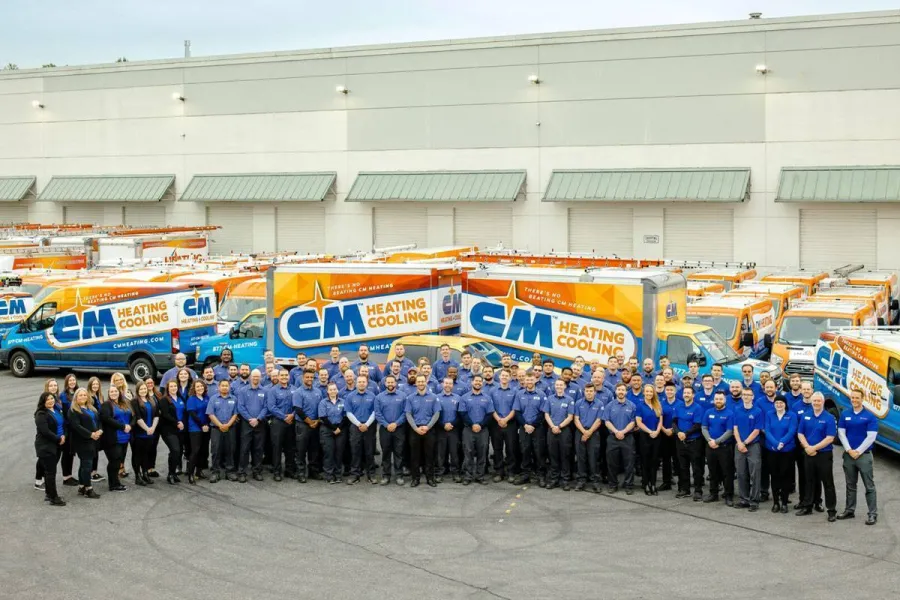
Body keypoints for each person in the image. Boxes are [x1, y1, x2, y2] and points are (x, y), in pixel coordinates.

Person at [836, 388, 879, 525]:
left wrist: (858, 451)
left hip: (864, 456)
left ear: (862, 399)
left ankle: (872, 514)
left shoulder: (870, 416)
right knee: (850, 485)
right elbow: (841, 433)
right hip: (849, 455)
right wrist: (849, 450)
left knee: (869, 486)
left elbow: (871, 437)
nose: (854, 400)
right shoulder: (845, 414)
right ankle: (849, 510)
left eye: (857, 398)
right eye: (852, 398)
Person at [796, 392, 837, 521]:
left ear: (823, 402)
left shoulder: (829, 417)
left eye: (819, 401)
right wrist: (807, 447)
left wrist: (814, 448)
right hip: (808, 453)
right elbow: (800, 433)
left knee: (827, 482)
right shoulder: (806, 416)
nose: (816, 403)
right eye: (814, 401)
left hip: (824, 454)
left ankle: (831, 510)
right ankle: (808, 506)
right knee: (809, 480)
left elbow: (830, 438)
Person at [406, 374, 441, 488]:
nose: (421, 383)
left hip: (429, 429)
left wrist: (428, 427)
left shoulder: (433, 397)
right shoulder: (410, 398)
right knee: (414, 455)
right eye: (418, 381)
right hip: (415, 430)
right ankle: (415, 478)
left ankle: (430, 478)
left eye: (422, 381)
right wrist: (416, 428)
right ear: (416, 383)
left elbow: (436, 413)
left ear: (426, 382)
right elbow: (408, 414)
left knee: (429, 455)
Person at [764, 395, 797, 513]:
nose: (779, 405)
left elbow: (792, 430)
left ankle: (784, 502)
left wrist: (782, 442)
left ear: (785, 404)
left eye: (781, 403)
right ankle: (776, 502)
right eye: (777, 402)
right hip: (772, 450)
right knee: (774, 476)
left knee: (785, 476)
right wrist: (775, 443)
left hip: (787, 450)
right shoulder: (769, 414)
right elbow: (767, 430)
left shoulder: (791, 415)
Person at [67, 389, 102, 499]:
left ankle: (82, 487)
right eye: (80, 395)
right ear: (76, 397)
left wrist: (100, 430)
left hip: (93, 440)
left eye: (84, 395)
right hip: (82, 441)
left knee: (84, 464)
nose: (82, 397)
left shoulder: (91, 408)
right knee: (87, 465)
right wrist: (91, 434)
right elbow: (77, 426)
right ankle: (88, 489)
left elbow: (98, 420)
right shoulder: (73, 410)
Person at [701, 391, 735, 505]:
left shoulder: (730, 413)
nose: (718, 401)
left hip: (724, 447)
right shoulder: (708, 412)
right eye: (716, 399)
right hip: (710, 446)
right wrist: (710, 440)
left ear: (724, 400)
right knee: (712, 471)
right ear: (714, 400)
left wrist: (717, 441)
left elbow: (730, 431)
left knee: (727, 472)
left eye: (720, 399)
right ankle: (713, 494)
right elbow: (704, 427)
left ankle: (729, 495)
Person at [674, 384, 706, 501]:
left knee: (697, 468)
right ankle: (685, 489)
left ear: (693, 395)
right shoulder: (679, 407)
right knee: (683, 467)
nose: (686, 395)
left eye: (688, 393)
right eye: (684, 393)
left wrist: (685, 433)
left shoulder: (697, 408)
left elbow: (697, 425)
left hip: (694, 442)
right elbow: (674, 422)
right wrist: (678, 433)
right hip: (680, 442)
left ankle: (698, 491)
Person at [734, 388, 764, 511]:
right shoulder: (737, 410)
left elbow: (757, 430)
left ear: (753, 397)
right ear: (742, 397)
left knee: (754, 473)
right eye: (744, 395)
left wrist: (745, 442)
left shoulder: (758, 411)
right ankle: (744, 499)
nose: (746, 396)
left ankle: (754, 501)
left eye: (749, 395)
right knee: (741, 473)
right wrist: (739, 443)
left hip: (753, 446)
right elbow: (735, 428)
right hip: (739, 445)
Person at [460, 375, 493, 486]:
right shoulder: (464, 397)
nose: (478, 383)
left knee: (482, 453)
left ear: (482, 383)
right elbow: (462, 413)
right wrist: (472, 424)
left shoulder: (487, 398)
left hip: (483, 430)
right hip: (468, 429)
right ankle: (468, 476)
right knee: (468, 452)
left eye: (480, 381)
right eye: (476, 381)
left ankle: (480, 476)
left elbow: (490, 414)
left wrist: (481, 425)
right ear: (472, 382)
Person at [513, 372, 545, 487]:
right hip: (524, 427)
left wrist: (533, 425)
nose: (529, 382)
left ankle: (540, 474)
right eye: (528, 380)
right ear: (524, 381)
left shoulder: (541, 394)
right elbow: (517, 412)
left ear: (535, 380)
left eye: (531, 380)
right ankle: (525, 473)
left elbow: (542, 413)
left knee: (539, 451)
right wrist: (525, 425)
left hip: (537, 428)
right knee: (525, 450)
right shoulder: (519, 394)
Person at [603, 383, 636, 494]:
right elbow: (606, 421)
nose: (621, 392)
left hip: (628, 437)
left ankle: (629, 485)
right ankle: (613, 484)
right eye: (619, 390)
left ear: (626, 392)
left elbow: (633, 422)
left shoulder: (632, 406)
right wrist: (617, 431)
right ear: (615, 391)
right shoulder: (609, 405)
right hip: (613, 438)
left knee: (629, 463)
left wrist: (623, 432)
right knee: (612, 463)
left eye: (623, 390)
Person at [34, 392, 67, 506]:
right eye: (47, 399)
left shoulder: (56, 410)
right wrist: (58, 439)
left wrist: (63, 436)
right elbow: (45, 431)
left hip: (57, 444)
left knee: (51, 471)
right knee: (50, 473)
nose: (50, 401)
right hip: (46, 446)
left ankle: (49, 494)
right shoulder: (41, 414)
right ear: (43, 401)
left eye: (52, 398)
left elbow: (62, 425)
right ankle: (53, 498)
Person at [374, 374, 407, 486]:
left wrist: (396, 424)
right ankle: (386, 475)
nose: (390, 384)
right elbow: (378, 413)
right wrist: (387, 425)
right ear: (385, 383)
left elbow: (405, 412)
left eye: (392, 382)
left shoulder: (403, 396)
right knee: (386, 453)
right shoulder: (379, 397)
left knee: (399, 452)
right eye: (388, 382)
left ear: (395, 383)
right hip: (385, 429)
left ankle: (399, 475)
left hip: (399, 429)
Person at [544, 379, 576, 491]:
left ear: (565, 386)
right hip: (552, 430)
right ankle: (554, 479)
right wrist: (553, 426)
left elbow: (570, 417)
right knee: (553, 455)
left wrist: (559, 426)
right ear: (554, 386)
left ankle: (565, 480)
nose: (559, 386)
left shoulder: (569, 400)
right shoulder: (549, 399)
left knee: (565, 455)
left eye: (561, 385)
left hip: (564, 431)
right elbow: (546, 414)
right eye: (557, 385)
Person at [237, 368, 268, 483]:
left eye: (258, 377)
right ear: (250, 377)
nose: (256, 378)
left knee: (258, 449)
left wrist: (258, 419)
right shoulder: (243, 391)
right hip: (246, 423)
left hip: (260, 423)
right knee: (244, 448)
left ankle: (257, 471)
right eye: (254, 376)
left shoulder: (264, 391)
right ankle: (242, 472)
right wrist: (250, 419)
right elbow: (240, 407)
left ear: (260, 378)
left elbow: (266, 407)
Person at [345, 375, 377, 484]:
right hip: (355, 427)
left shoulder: (372, 396)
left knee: (369, 451)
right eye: (359, 382)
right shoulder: (350, 396)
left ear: (367, 383)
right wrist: (359, 424)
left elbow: (374, 412)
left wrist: (366, 424)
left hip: (369, 427)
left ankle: (371, 475)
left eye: (364, 381)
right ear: (356, 383)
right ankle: (355, 475)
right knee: (355, 451)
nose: (362, 383)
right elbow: (348, 412)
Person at [99, 385, 131, 492]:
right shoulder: (106, 405)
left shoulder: (124, 403)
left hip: (124, 437)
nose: (114, 393)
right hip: (112, 438)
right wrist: (122, 427)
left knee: (119, 460)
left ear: (119, 392)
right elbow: (106, 419)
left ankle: (116, 482)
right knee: (114, 460)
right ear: (108, 393)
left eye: (115, 391)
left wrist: (130, 425)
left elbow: (132, 415)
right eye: (111, 391)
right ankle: (113, 484)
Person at [266, 369, 296, 482]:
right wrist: (284, 417)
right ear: (278, 377)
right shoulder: (273, 391)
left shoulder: (294, 389)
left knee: (290, 448)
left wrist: (292, 415)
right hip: (278, 421)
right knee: (277, 447)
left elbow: (297, 405)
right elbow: (271, 407)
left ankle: (289, 470)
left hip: (291, 421)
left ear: (289, 377)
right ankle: (277, 471)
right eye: (282, 375)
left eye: (286, 375)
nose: (284, 377)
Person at [489, 369, 518, 483]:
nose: (504, 377)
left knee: (511, 449)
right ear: (499, 377)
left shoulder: (514, 391)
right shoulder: (492, 390)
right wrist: (499, 420)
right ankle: (499, 472)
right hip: (496, 423)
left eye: (507, 376)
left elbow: (515, 408)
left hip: (510, 423)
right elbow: (491, 408)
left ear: (510, 378)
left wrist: (505, 419)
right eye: (502, 375)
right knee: (497, 449)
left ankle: (511, 472)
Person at [574, 383, 603, 493]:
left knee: (593, 457)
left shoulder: (600, 404)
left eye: (591, 391)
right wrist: (584, 432)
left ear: (595, 392)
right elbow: (576, 419)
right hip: (580, 432)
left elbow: (599, 420)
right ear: (584, 392)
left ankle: (595, 481)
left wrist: (589, 432)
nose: (589, 393)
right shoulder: (578, 403)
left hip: (593, 433)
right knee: (580, 457)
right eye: (587, 391)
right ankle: (581, 480)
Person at [207, 379, 238, 483]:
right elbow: (211, 414)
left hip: (230, 428)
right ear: (218, 387)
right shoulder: (213, 398)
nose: (225, 387)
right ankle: (215, 472)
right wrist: (220, 425)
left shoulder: (234, 399)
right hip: (216, 429)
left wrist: (228, 425)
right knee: (216, 450)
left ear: (229, 387)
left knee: (230, 449)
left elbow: (235, 414)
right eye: (222, 385)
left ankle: (230, 471)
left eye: (226, 385)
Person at [636, 384, 663, 496]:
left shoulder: (657, 405)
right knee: (645, 461)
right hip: (645, 437)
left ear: (653, 393)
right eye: (647, 392)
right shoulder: (640, 405)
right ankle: (646, 484)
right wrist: (650, 431)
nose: (649, 393)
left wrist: (656, 431)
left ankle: (653, 484)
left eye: (650, 392)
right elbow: (639, 422)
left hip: (656, 436)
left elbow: (660, 420)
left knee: (654, 461)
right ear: (644, 393)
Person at [435, 377, 462, 484]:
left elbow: (460, 415)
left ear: (452, 385)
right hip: (440, 429)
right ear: (442, 384)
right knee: (440, 453)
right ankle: (440, 473)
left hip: (454, 429)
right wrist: (443, 425)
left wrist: (452, 424)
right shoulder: (436, 398)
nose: (448, 385)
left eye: (450, 383)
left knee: (454, 452)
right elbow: (435, 414)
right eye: (446, 383)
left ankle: (455, 473)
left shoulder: (458, 398)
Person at [318, 382, 346, 484]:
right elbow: (323, 417)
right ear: (327, 391)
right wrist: (334, 428)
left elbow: (345, 416)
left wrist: (339, 428)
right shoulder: (323, 402)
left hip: (340, 430)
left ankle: (338, 474)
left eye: (334, 389)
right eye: (331, 389)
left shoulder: (342, 402)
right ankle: (329, 475)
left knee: (339, 453)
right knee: (328, 453)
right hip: (327, 430)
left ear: (337, 390)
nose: (333, 391)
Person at [131, 382, 158, 486]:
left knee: (146, 455)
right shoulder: (135, 401)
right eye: (141, 389)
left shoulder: (152, 400)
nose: (143, 390)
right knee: (137, 455)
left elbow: (156, 415)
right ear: (137, 390)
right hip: (139, 434)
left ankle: (145, 474)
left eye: (145, 389)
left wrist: (153, 428)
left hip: (150, 433)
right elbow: (137, 417)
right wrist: (147, 428)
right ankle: (138, 476)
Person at [159, 380, 186, 484]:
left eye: (175, 386)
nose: (174, 388)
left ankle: (174, 473)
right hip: (168, 430)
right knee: (175, 450)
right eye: (171, 386)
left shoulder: (181, 398)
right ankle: (170, 473)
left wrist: (182, 423)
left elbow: (184, 412)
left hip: (180, 429)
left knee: (178, 452)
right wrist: (177, 423)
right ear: (167, 388)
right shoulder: (164, 400)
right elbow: (165, 415)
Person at [186, 380, 211, 484]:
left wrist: (207, 425)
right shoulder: (191, 399)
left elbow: (210, 412)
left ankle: (199, 471)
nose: (200, 388)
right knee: (195, 451)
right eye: (197, 387)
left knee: (203, 451)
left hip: (206, 427)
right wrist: (202, 425)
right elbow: (192, 414)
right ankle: (190, 474)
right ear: (194, 388)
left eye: (201, 386)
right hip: (195, 428)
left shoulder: (207, 398)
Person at [58, 373, 79, 487]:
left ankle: (69, 476)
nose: (72, 382)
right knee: (66, 452)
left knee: (71, 452)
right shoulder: (63, 395)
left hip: (75, 427)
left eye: (74, 380)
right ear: (66, 382)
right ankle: (66, 477)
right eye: (70, 380)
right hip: (68, 427)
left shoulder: (77, 393)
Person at [659, 382, 680, 492]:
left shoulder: (680, 404)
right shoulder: (661, 404)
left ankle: (682, 483)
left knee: (678, 459)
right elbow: (658, 420)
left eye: (671, 390)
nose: (669, 392)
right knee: (666, 459)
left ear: (675, 391)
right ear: (665, 391)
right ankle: (666, 482)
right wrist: (664, 430)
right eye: (667, 390)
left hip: (677, 435)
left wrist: (673, 430)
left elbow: (681, 420)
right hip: (665, 434)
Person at [86, 377, 105, 483]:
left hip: (99, 425)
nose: (95, 386)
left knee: (96, 451)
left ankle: (94, 472)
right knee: (92, 451)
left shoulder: (100, 396)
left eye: (97, 384)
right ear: (90, 385)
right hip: (92, 426)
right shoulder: (88, 397)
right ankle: (90, 473)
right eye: (93, 384)